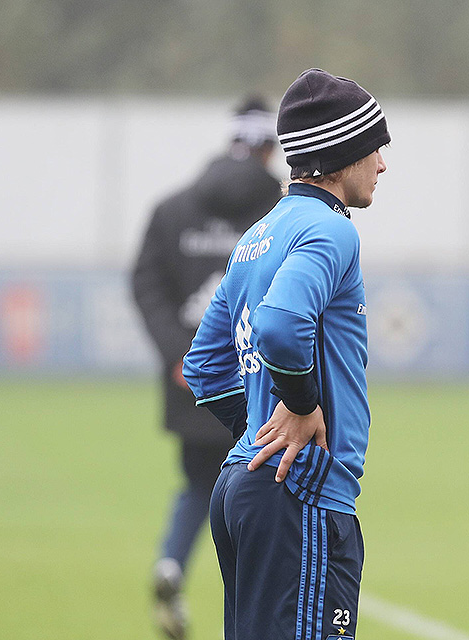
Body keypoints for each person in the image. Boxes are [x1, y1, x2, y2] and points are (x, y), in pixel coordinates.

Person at [182, 68, 389, 640]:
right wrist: (298, 407)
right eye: (376, 147)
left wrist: (256, 433)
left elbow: (203, 365)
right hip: (300, 490)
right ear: (343, 153)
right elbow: (279, 325)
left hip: (245, 486)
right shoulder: (329, 229)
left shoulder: (260, 233)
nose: (383, 164)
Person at [131, 96, 281, 640]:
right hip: (257, 377)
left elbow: (145, 284)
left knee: (200, 480)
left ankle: (172, 561)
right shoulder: (278, 213)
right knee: (260, 492)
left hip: (190, 377)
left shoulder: (171, 210)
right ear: (269, 149)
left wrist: (179, 354)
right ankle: (247, 605)